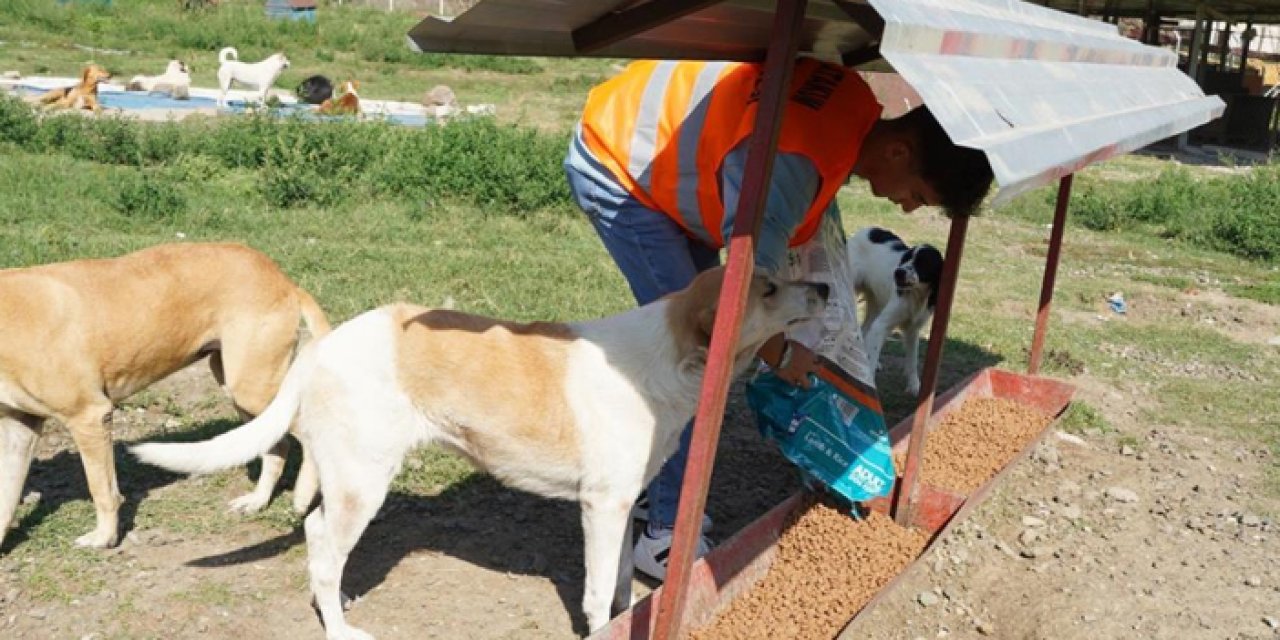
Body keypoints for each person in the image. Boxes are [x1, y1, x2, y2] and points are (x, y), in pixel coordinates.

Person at [563, 57, 993, 581]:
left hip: (667, 156)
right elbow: (737, 303)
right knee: (695, 358)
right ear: (899, 151)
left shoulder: (854, 104)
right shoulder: (791, 166)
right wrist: (782, 352)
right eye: (918, 196)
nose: (906, 211)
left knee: (700, 353)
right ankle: (665, 535)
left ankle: (655, 486)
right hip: (621, 164)